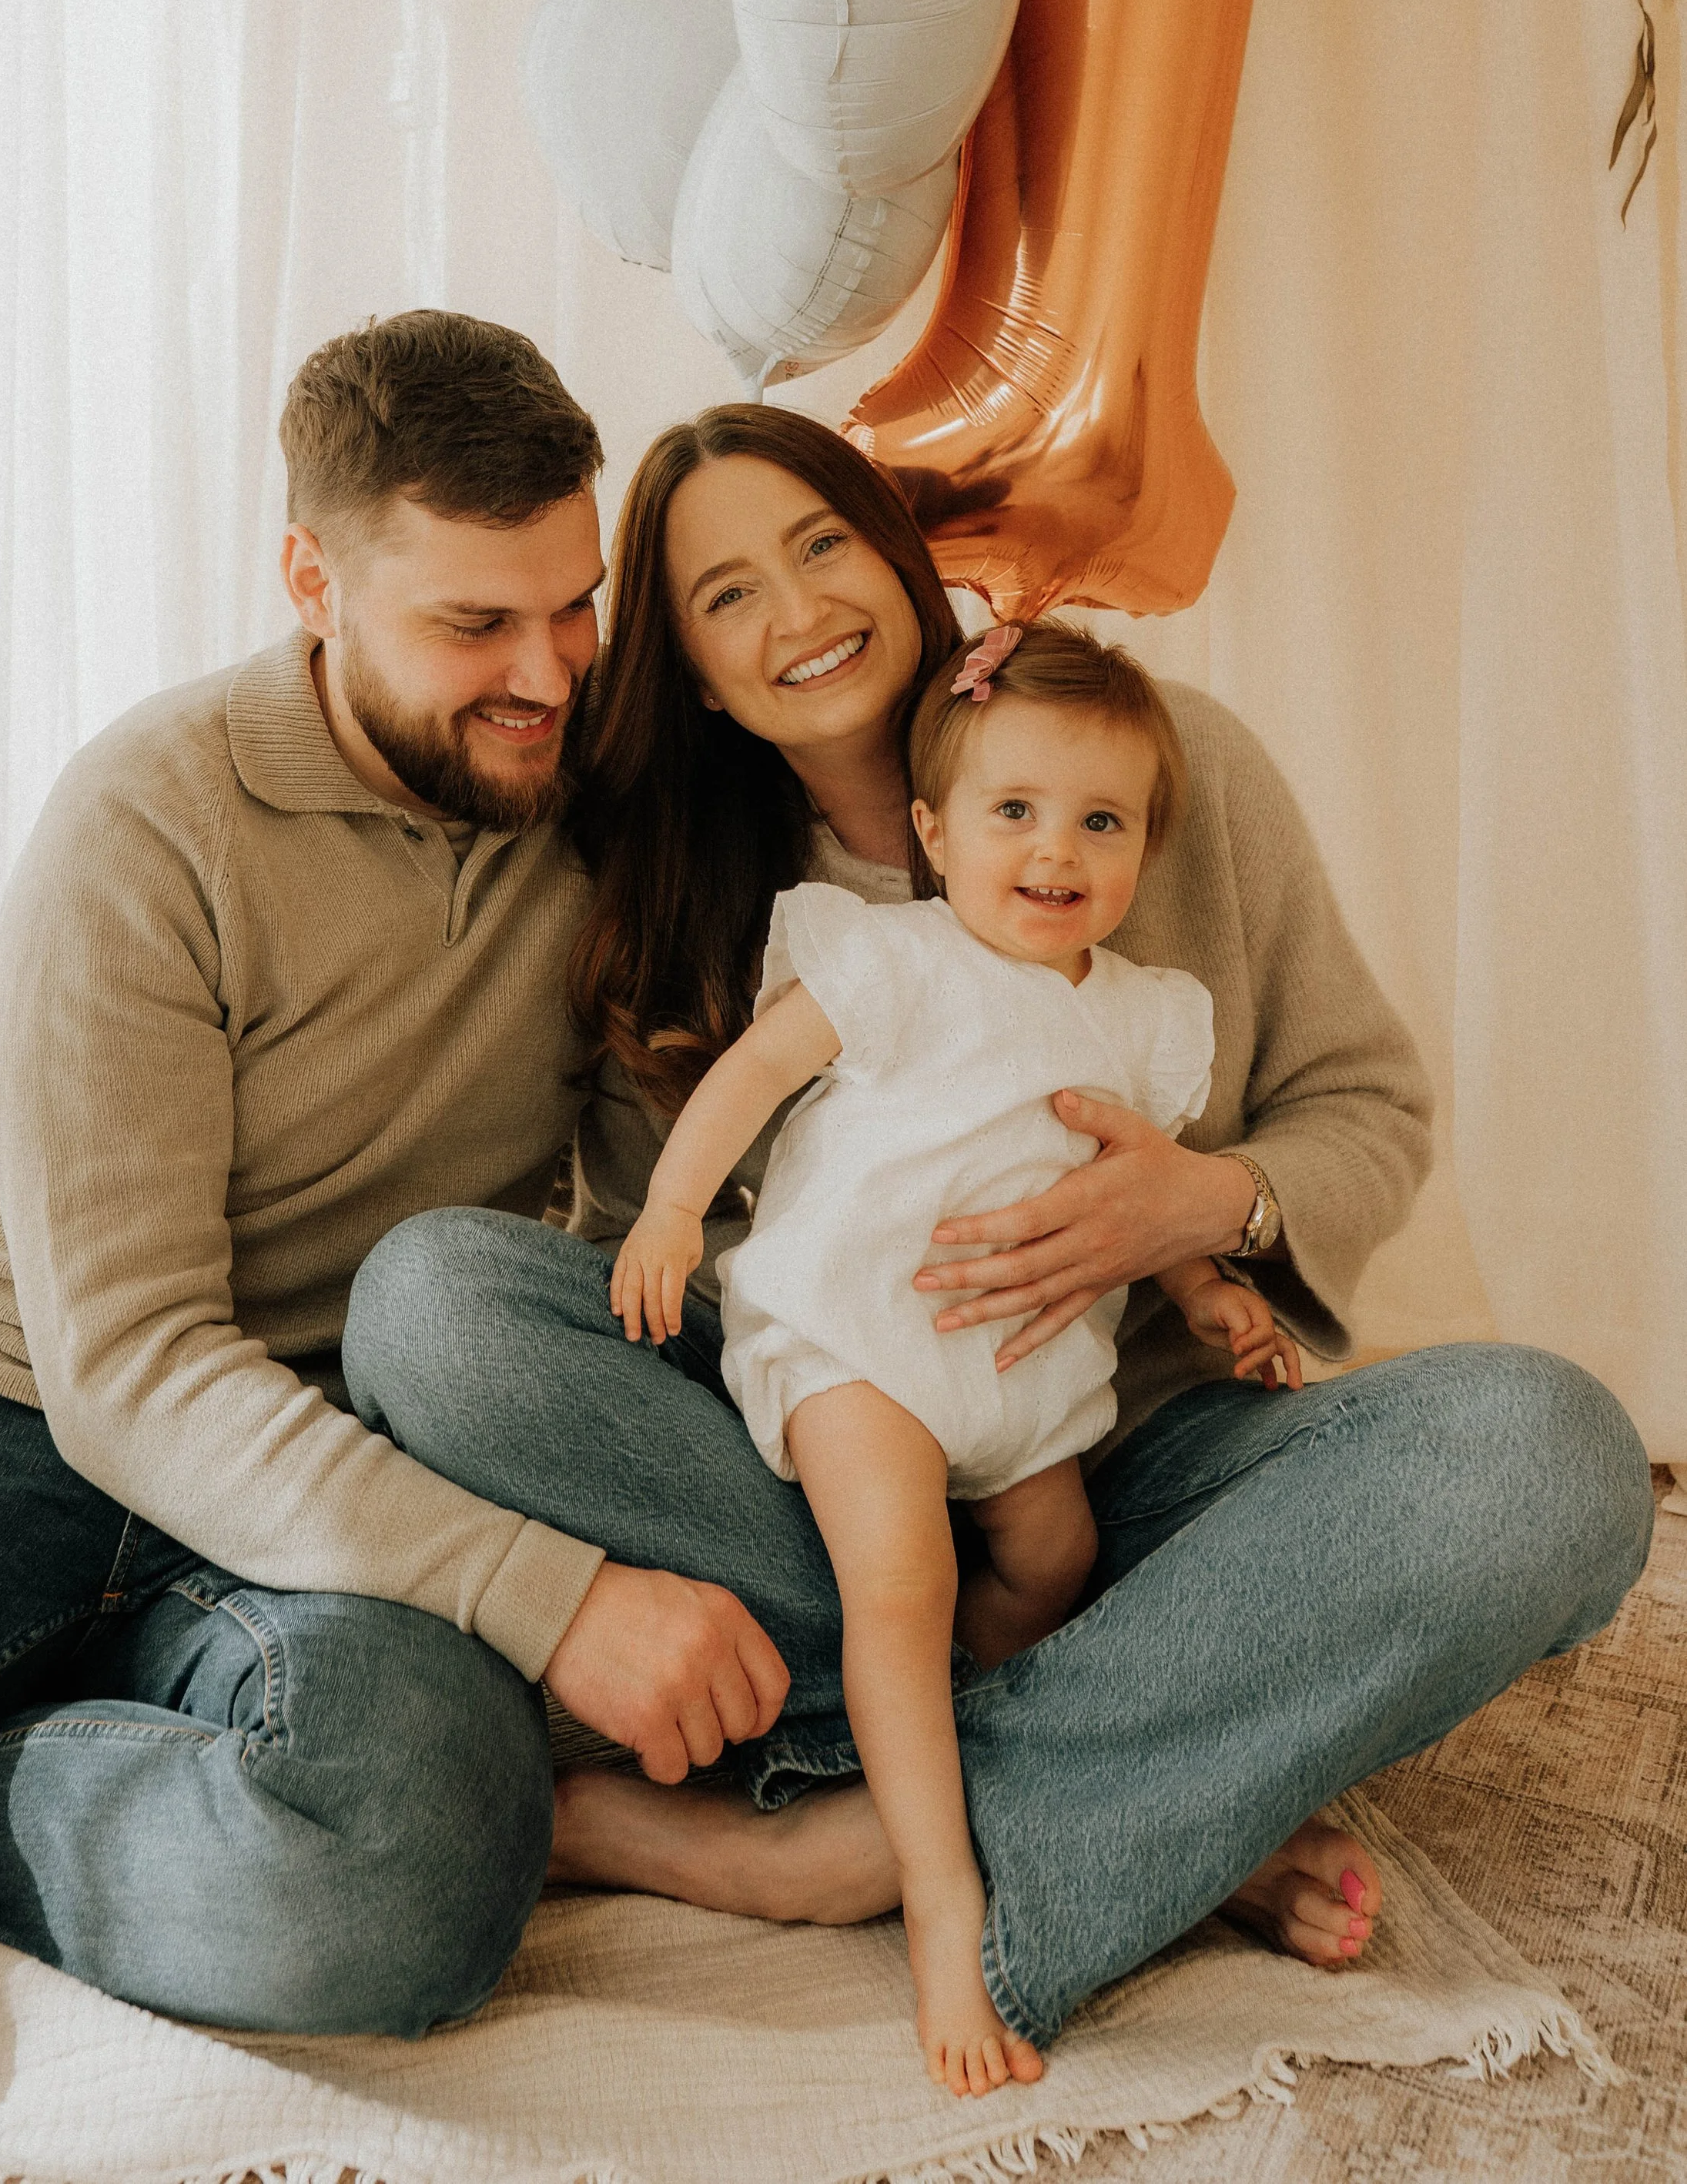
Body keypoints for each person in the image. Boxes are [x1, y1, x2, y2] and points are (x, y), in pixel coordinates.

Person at [349, 399, 1655, 2063]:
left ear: (897, 555)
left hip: (1120, 1456)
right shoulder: (676, 888)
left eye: (821, 544)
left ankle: (857, 1839)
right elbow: (641, 1235)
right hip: (826, 1459)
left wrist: (1208, 1207)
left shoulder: (1145, 768)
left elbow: (1364, 1111)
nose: (799, 608)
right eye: (726, 593)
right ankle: (1162, 1788)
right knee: (428, 1303)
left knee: (1547, 1453)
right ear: (682, 665)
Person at [0, 313, 791, 2032]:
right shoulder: (151, 816)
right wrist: (558, 1602)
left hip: (308, 1463)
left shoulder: (602, 797)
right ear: (313, 580)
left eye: (574, 600)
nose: (547, 671)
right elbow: (126, 1365)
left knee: (411, 1866)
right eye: (474, 622)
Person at [611, 618, 1301, 2095]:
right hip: (858, 1329)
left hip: (1018, 1381)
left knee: (1054, 1559)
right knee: (904, 1575)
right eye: (1014, 812)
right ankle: (940, 1895)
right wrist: (674, 1209)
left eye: (1099, 821)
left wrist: (1210, 1290)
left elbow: (1141, 1183)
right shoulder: (893, 961)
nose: (1056, 851)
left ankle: (957, 1734)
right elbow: (749, 1076)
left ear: (1141, 849)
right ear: (933, 832)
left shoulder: (1141, 1017)